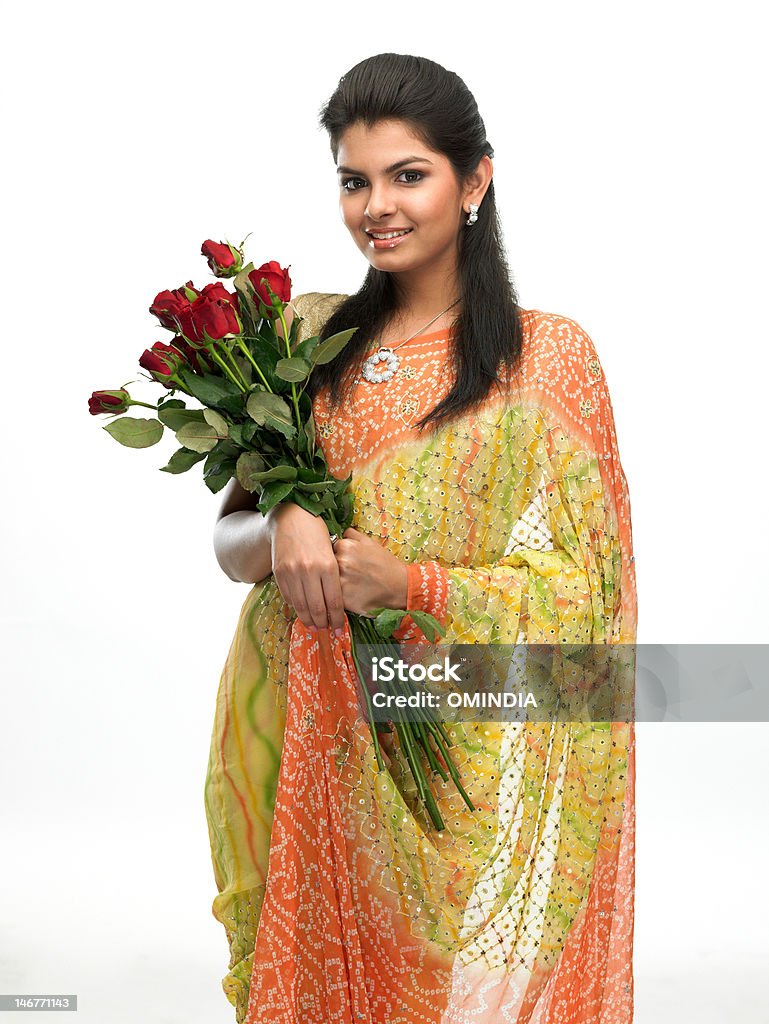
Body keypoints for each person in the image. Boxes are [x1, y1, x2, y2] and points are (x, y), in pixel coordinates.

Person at [205, 52, 636, 1024]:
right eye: (354, 181)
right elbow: (225, 542)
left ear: (473, 178)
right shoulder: (304, 339)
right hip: (291, 708)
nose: (376, 207)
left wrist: (415, 582)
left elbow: (589, 590)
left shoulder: (543, 358)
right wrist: (283, 518)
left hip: (436, 717)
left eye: (408, 175)